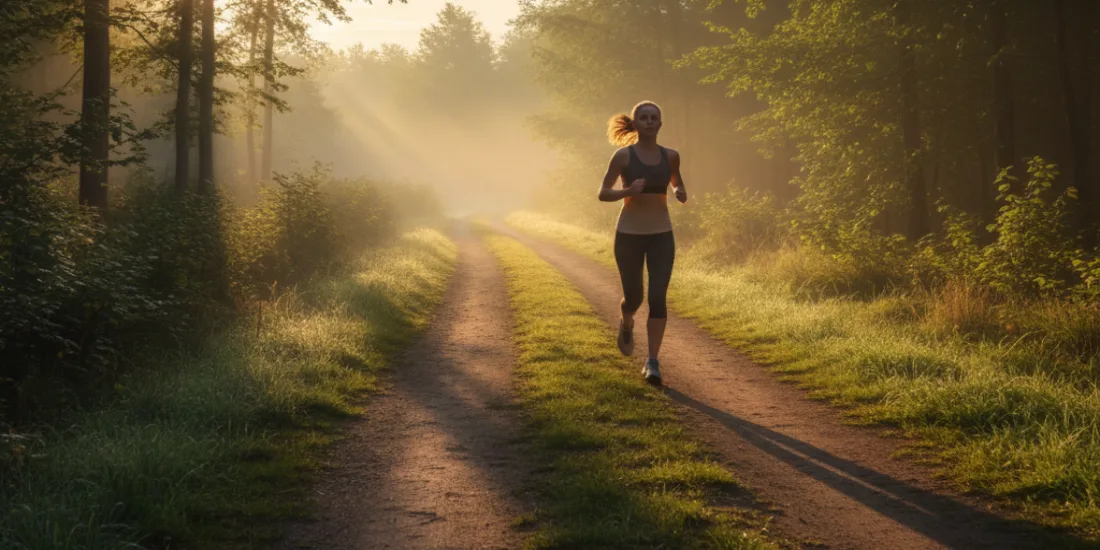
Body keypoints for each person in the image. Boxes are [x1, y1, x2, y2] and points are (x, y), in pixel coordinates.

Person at [597, 101, 688, 386]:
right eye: (644, 118)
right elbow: (603, 193)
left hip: (662, 234)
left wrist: (680, 190)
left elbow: (675, 181)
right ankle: (626, 322)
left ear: (660, 123)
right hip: (629, 235)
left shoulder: (671, 156)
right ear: (635, 124)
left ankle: (652, 362)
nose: (649, 122)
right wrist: (628, 190)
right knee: (634, 297)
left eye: (654, 118)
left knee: (658, 297)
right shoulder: (623, 156)